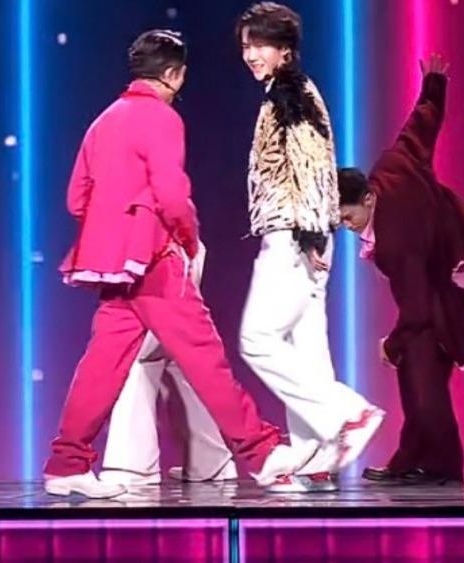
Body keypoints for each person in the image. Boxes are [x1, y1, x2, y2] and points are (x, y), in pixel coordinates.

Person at [43, 29, 313, 499]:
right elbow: (172, 194)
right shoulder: (161, 118)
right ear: (175, 74)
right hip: (155, 258)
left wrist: (115, 226)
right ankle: (263, 454)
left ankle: (67, 463)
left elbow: (75, 199)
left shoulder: (103, 121)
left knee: (102, 364)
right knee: (205, 357)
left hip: (114, 265)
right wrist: (186, 240)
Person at [236, 2, 383, 492]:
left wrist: (310, 232)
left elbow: (311, 166)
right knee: (307, 348)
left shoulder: (291, 94)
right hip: (305, 232)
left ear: (285, 49)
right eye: (246, 45)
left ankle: (346, 414)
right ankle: (313, 454)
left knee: (257, 339)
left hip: (292, 234)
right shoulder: (290, 92)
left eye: (260, 44)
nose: (251, 54)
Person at [337, 54, 464, 485]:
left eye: (348, 217)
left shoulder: (395, 243)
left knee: (421, 369)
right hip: (446, 275)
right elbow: (419, 128)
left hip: (456, 284)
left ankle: (438, 466)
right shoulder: (392, 167)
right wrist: (434, 86)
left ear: (368, 198)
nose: (347, 227)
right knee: (418, 368)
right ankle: (418, 461)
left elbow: (419, 310)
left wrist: (391, 345)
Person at [99, 246, 238, 486]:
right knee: (173, 356)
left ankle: (132, 465)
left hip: (158, 254)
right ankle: (209, 460)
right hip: (168, 251)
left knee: (136, 356)